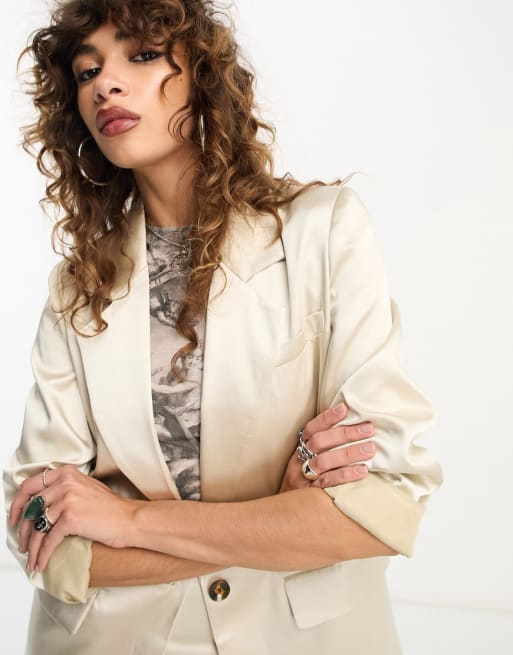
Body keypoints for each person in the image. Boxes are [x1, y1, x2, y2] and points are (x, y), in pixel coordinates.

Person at [3, 1, 443, 654]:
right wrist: (277, 515)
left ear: (202, 74)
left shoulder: (323, 232)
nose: (106, 85)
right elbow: (44, 537)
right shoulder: (78, 287)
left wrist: (125, 519)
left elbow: (381, 509)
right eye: (87, 71)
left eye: (142, 55)